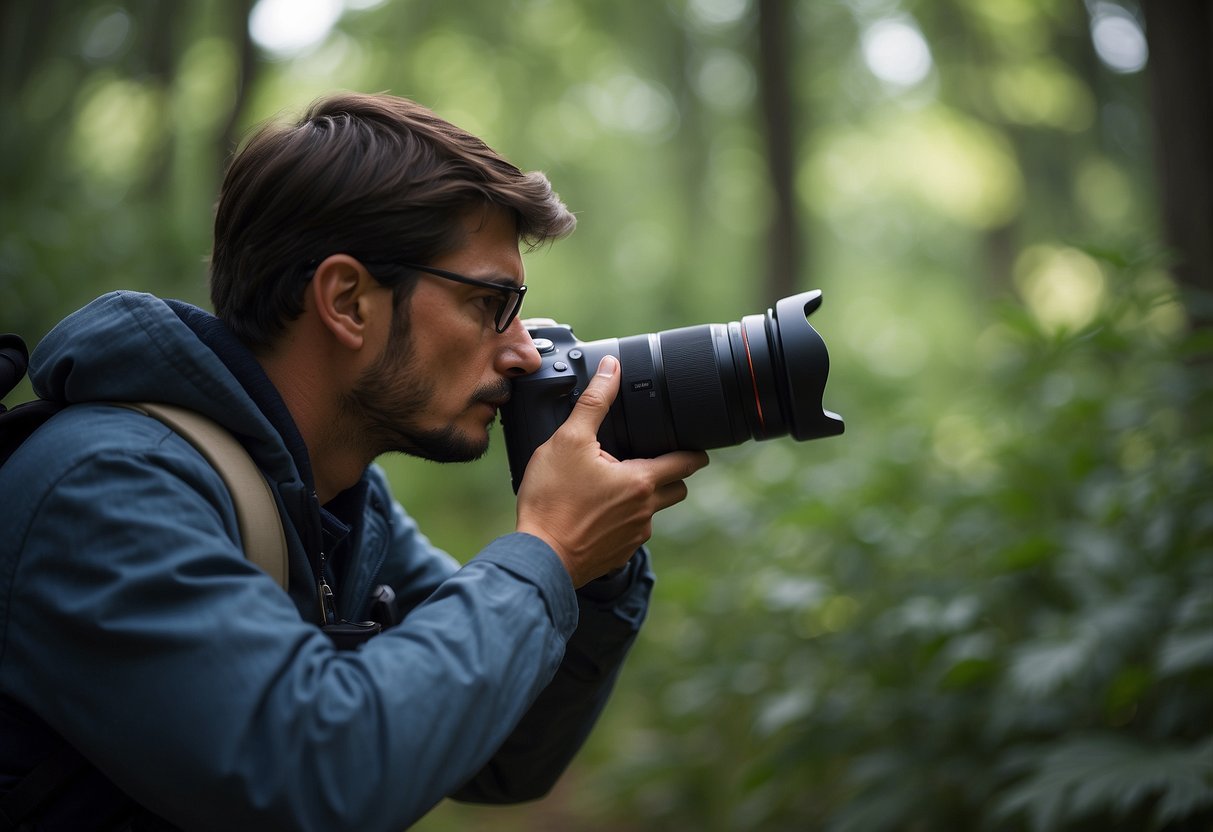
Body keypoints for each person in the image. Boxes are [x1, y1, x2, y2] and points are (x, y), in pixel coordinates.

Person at [0, 92, 709, 830]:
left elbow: (501, 756)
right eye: (490, 303)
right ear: (347, 301)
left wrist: (592, 573)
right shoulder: (100, 491)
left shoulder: (339, 503)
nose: (523, 349)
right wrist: (549, 555)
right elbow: (316, 779)